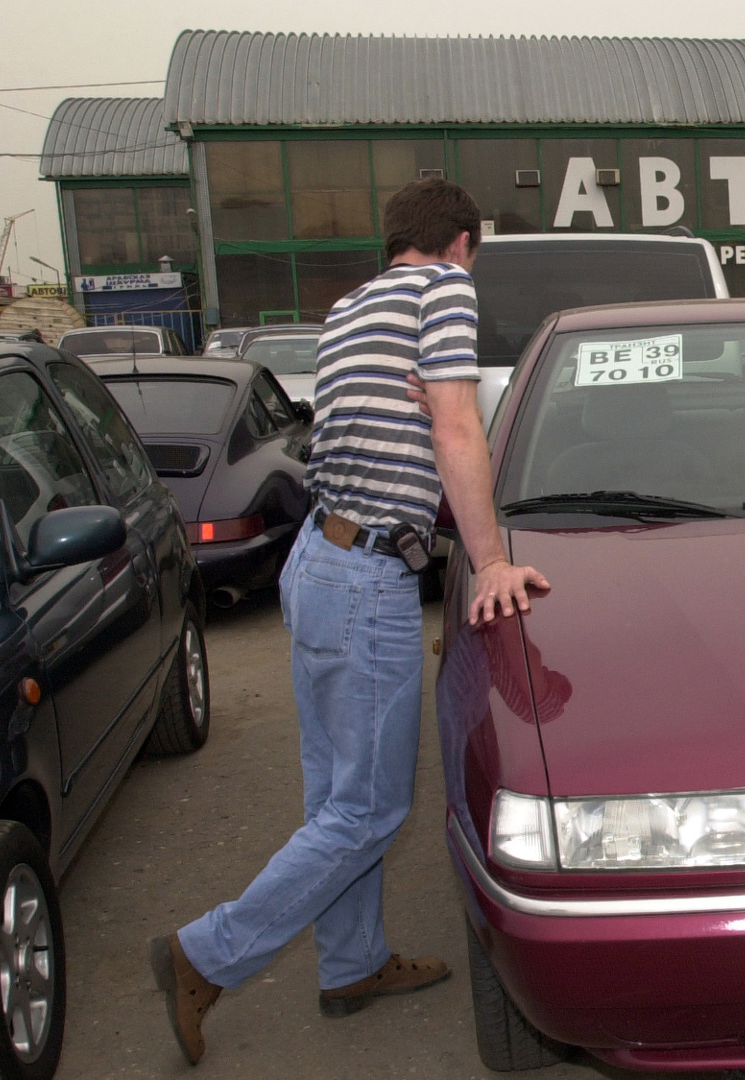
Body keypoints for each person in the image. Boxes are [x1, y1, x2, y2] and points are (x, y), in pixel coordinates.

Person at [150, 178, 550, 1065]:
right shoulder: (443, 289)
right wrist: (489, 562)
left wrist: (432, 415)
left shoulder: (349, 308)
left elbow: (370, 431)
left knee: (336, 795)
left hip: (318, 563)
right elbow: (455, 431)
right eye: (472, 256)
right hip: (367, 576)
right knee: (368, 811)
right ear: (461, 242)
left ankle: (352, 963)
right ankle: (203, 953)